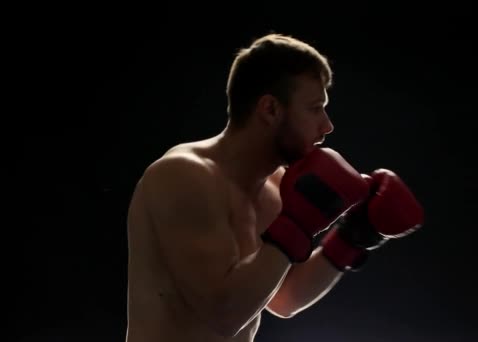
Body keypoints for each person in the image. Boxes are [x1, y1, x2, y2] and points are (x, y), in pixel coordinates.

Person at [125, 33, 425, 342]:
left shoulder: (275, 188)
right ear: (270, 109)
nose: (327, 125)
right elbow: (222, 315)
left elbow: (284, 298)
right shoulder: (183, 176)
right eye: (314, 108)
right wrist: (295, 226)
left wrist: (356, 235)